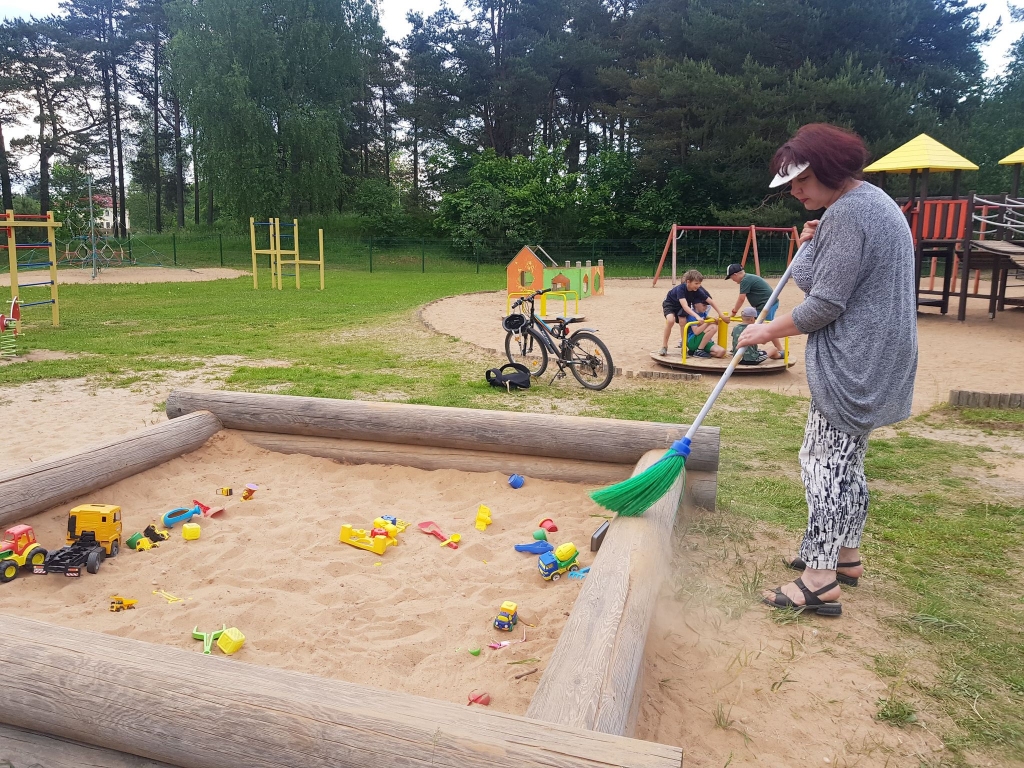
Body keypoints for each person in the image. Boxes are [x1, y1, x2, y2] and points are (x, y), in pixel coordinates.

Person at [736, 123, 918, 617]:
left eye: (801, 182)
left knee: (824, 463)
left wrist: (766, 331)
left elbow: (823, 304)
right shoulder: (866, 204)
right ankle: (846, 557)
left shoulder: (851, 214)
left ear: (831, 170)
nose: (794, 192)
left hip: (854, 361)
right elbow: (814, 275)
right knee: (846, 462)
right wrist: (813, 241)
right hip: (878, 355)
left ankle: (818, 579)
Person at [659, 270, 727, 356]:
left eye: (699, 284)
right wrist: (697, 316)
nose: (698, 286)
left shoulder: (697, 290)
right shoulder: (681, 289)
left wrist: (721, 314)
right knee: (670, 320)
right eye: (696, 283)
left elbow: (711, 301)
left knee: (683, 321)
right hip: (671, 304)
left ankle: (684, 347)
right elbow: (685, 306)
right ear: (688, 282)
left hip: (682, 305)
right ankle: (664, 346)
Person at [727, 263, 784, 356]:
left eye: (731, 277)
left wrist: (733, 313)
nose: (732, 280)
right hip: (763, 305)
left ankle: (781, 350)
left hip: (767, 305)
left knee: (768, 327)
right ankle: (745, 347)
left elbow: (741, 299)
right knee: (752, 324)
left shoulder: (745, 280)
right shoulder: (748, 278)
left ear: (735, 275)